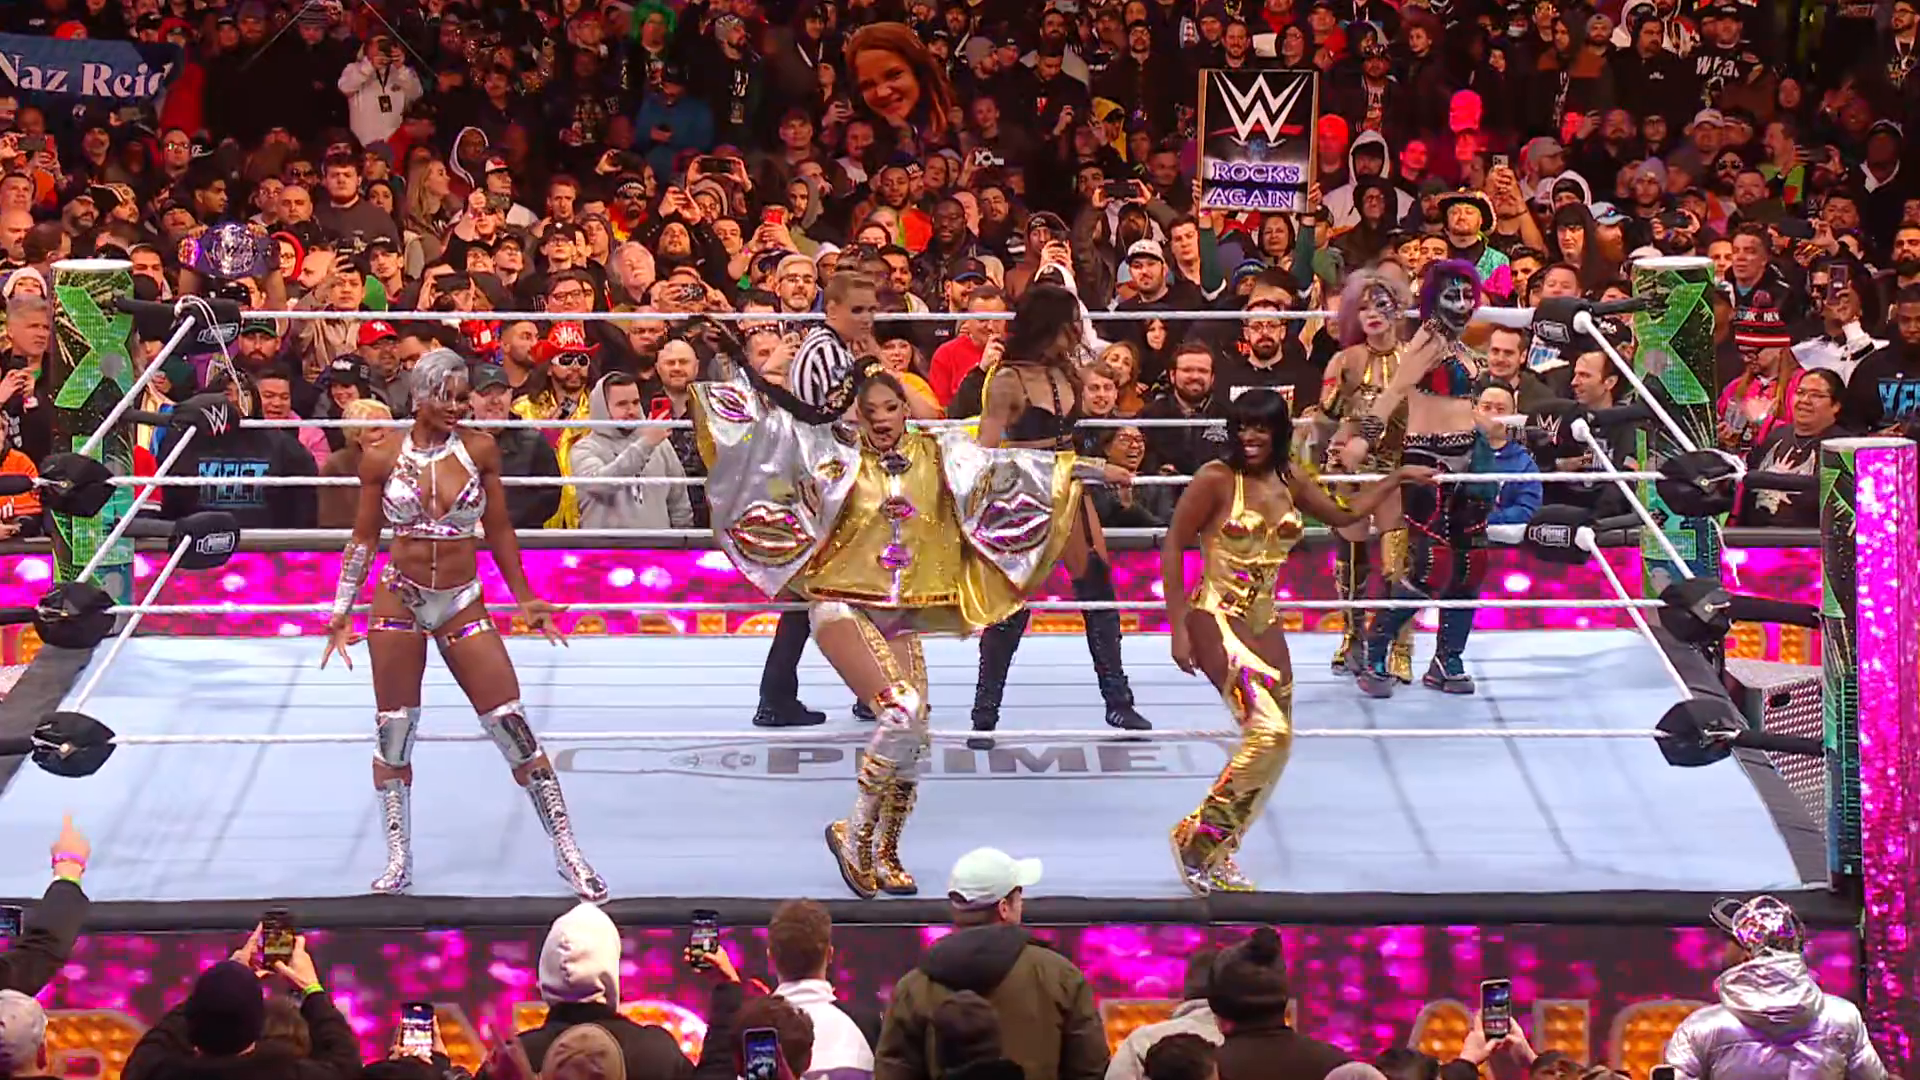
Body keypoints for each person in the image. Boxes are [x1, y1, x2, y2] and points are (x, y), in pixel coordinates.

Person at [696, 371, 1118, 898]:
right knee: (901, 711)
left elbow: (1007, 467)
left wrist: (1090, 468)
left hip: (897, 612)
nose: (881, 420)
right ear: (856, 413)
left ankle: (886, 847)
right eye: (869, 411)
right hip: (839, 601)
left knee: (915, 736)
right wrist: (723, 374)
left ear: (904, 409)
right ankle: (853, 831)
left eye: (890, 408)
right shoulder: (832, 454)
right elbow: (765, 445)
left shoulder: (938, 452)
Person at [320, 348, 602, 901]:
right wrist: (340, 610)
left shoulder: (479, 449)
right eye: (445, 397)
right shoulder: (381, 456)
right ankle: (398, 858)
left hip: (461, 599)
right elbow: (364, 538)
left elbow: (499, 529)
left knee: (512, 724)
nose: (456, 407)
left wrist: (525, 597)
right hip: (398, 598)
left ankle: (569, 852)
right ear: (419, 397)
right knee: (394, 732)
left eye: (462, 396)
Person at [1163, 389, 1430, 893]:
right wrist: (1177, 625)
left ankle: (1220, 847)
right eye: (1242, 427)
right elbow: (1174, 544)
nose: (1250, 436)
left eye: (1260, 427)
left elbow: (1344, 515)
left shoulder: (1291, 478)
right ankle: (1195, 841)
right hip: (1215, 615)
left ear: (1278, 431)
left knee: (1277, 744)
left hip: (1266, 620)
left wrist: (1393, 479)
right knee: (1268, 736)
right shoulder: (1215, 479)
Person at [969, 284, 1153, 748]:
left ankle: (1118, 701)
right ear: (1048, 326)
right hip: (1023, 498)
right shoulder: (1007, 380)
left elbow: (1071, 442)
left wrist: (1099, 466)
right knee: (1011, 606)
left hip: (1068, 491)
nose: (1075, 333)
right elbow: (986, 453)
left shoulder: (1067, 373)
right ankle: (984, 714)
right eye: (1069, 324)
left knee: (1098, 589)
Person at [1346, 262, 1490, 700]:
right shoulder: (1428, 339)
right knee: (1431, 568)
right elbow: (1392, 394)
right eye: (1452, 296)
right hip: (1430, 461)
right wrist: (1363, 440)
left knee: (1471, 564)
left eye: (1467, 295)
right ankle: (1375, 648)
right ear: (1433, 299)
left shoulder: (1461, 344)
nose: (1462, 304)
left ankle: (1448, 659)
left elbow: (1466, 408)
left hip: (1470, 461)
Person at [749, 272, 884, 730]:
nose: (866, 318)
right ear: (832, 310)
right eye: (857, 310)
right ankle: (866, 693)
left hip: (829, 480)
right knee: (841, 587)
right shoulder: (825, 352)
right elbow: (839, 419)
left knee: (819, 592)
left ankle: (781, 695)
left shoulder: (834, 349)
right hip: (826, 484)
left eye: (872, 309)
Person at [874, 848, 1108, 1080]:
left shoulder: (914, 987)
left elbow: (893, 1072)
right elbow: (1090, 1070)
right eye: (1019, 897)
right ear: (1004, 908)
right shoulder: (1060, 977)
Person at [1662, 896, 1885, 1080]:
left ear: (1746, 955)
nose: (1722, 951)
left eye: (1728, 940)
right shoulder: (1843, 1018)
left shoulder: (1702, 1029)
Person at [1315, 269, 1415, 679]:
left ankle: (1400, 645)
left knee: (1398, 562)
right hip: (1353, 467)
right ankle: (1352, 636)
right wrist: (1326, 454)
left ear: (1398, 310)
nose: (1372, 314)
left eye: (1381, 305)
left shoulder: (1414, 359)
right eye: (1364, 307)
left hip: (1397, 466)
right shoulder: (1345, 360)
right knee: (1351, 556)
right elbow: (1325, 417)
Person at [1423, 384, 1542, 694]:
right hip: (1441, 536)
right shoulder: (1450, 448)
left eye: (1500, 409)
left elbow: (1526, 509)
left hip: (1480, 542)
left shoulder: (1522, 463)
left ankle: (1447, 659)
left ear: (1513, 416)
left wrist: (1482, 520)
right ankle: (1382, 654)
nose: (1490, 415)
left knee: (1465, 580)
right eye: (1485, 407)